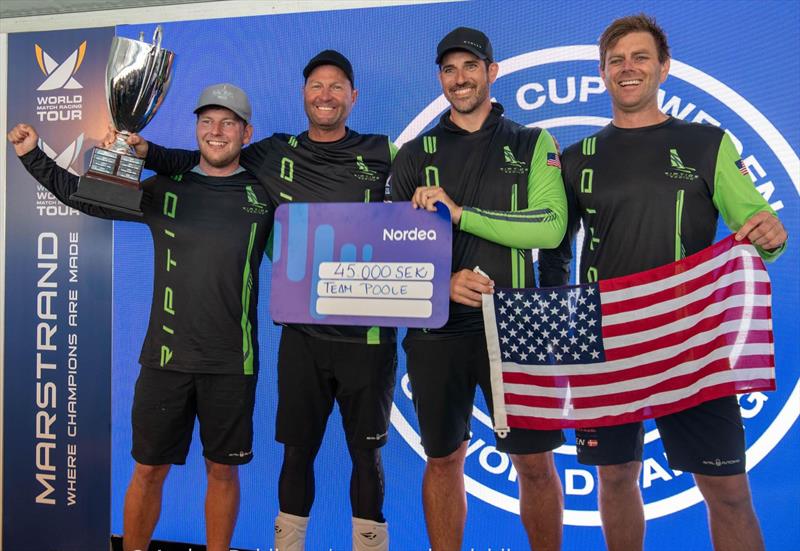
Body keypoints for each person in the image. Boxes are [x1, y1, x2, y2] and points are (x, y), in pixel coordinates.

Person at [537, 14, 787, 551]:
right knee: (617, 477)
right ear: (603, 73)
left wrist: (771, 233)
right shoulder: (577, 157)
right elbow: (556, 260)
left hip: (693, 340)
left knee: (728, 492)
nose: (628, 68)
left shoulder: (706, 144)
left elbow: (761, 228)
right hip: (604, 342)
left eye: (640, 57)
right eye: (616, 60)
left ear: (663, 67)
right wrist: (560, 328)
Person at [135, 50, 395, 551]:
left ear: (353, 96)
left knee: (368, 457)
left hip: (369, 335)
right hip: (303, 335)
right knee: (296, 455)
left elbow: (422, 202)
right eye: (316, 86)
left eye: (336, 86)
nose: (325, 95)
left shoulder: (385, 151)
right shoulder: (271, 152)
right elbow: (204, 160)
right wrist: (145, 150)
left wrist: (430, 203)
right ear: (303, 95)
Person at [7, 83, 272, 551]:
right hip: (164, 360)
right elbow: (86, 197)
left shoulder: (263, 193)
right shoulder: (167, 187)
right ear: (196, 129)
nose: (216, 131)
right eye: (207, 121)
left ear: (246, 133)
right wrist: (33, 154)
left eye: (228, 122)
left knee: (223, 470)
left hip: (233, 362)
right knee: (148, 470)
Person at [390, 27, 568, 550]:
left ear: (493, 72)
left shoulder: (532, 141)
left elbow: (550, 226)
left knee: (534, 463)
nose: (460, 78)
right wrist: (441, 283)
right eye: (449, 69)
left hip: (515, 325)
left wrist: (462, 215)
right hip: (438, 329)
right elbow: (389, 249)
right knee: (443, 458)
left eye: (471, 66)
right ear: (440, 78)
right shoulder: (412, 154)